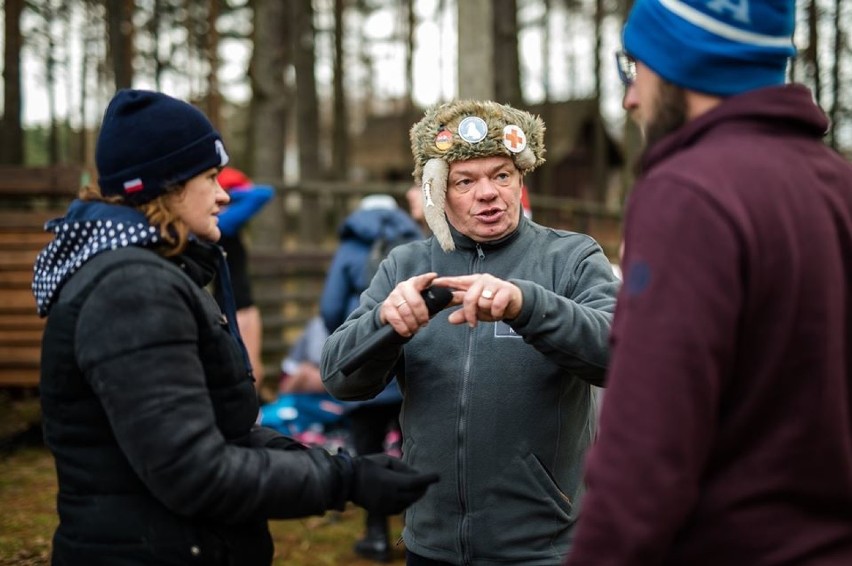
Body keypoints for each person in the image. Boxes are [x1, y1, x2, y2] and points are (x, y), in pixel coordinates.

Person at [32, 88, 438, 565]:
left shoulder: (150, 274)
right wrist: (343, 483)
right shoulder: (132, 291)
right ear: (166, 186)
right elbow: (193, 471)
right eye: (209, 176)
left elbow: (223, 429)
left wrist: (340, 465)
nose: (224, 193)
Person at [565, 1, 852, 564]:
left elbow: (644, 459)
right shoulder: (836, 184)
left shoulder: (689, 194)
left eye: (634, 67)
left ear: (679, 62)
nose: (630, 97)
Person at [321, 100, 621, 564]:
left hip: (543, 548)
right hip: (430, 543)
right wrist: (386, 325)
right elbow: (339, 378)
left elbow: (621, 355)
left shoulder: (572, 258)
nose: (488, 193)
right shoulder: (407, 265)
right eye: (466, 180)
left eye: (502, 175)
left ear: (520, 180)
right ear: (437, 192)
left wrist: (527, 305)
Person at [319, 194, 424, 562]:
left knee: (368, 454)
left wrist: (351, 337)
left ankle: (377, 535)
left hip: (365, 366)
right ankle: (420, 535)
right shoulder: (415, 244)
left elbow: (331, 306)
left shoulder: (351, 244)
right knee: (416, 449)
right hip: (410, 367)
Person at [213, 166, 273, 388]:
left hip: (239, 304)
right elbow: (264, 193)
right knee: (250, 373)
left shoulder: (224, 222)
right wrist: (231, 192)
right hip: (237, 308)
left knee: (254, 371)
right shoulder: (223, 223)